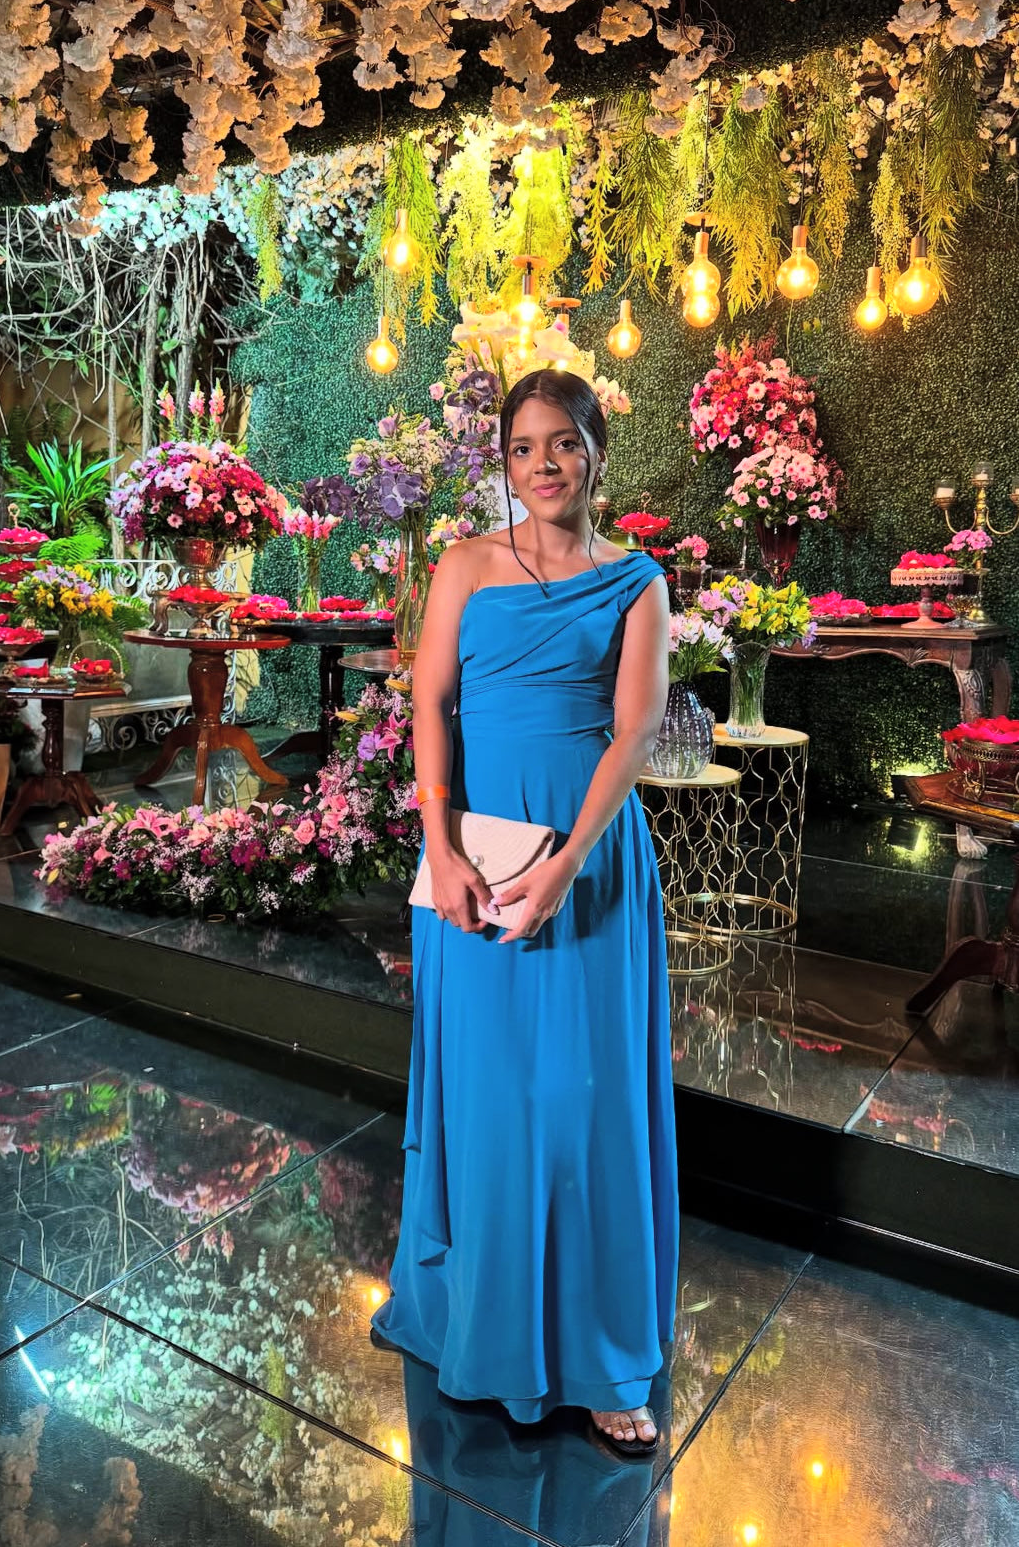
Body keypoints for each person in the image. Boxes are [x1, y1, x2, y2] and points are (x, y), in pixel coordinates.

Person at [371, 368, 678, 1455]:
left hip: (587, 863)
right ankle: (484, 1327)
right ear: (500, 461)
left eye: (562, 443)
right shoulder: (462, 565)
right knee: (491, 1098)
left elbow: (635, 732)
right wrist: (436, 842)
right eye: (521, 448)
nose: (543, 465)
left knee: (583, 1100)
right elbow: (428, 700)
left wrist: (568, 866)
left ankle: (600, 1358)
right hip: (473, 859)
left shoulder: (636, 584)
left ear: (596, 452)